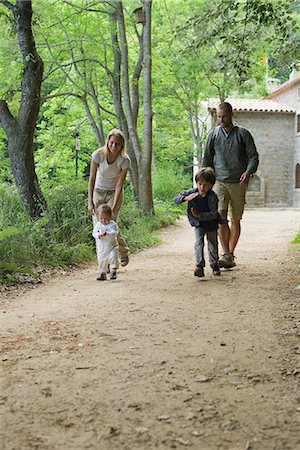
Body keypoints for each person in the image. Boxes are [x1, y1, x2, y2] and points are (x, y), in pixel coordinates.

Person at [202, 102, 259, 269]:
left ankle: (231, 254)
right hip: (219, 181)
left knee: (235, 219)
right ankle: (225, 254)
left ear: (231, 114)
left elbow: (253, 156)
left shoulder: (243, 134)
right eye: (219, 117)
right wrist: (206, 182)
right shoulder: (213, 134)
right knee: (220, 216)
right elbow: (207, 160)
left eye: (224, 116)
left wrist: (248, 172)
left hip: (238, 182)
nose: (221, 120)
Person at [88, 128, 130, 270]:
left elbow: (119, 185)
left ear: (121, 146)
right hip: (98, 192)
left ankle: (121, 253)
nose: (113, 146)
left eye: (117, 144)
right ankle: (104, 265)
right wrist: (90, 201)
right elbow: (92, 178)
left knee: (110, 224)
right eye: (111, 142)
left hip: (114, 193)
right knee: (99, 227)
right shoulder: (98, 155)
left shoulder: (124, 161)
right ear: (107, 142)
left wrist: (113, 207)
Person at [174, 167, 225, 278]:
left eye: (205, 185)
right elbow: (176, 198)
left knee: (213, 245)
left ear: (211, 185)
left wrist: (199, 215)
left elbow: (213, 214)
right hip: (198, 224)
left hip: (211, 223)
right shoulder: (193, 192)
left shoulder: (213, 197)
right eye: (200, 184)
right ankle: (199, 266)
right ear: (197, 183)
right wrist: (185, 198)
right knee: (198, 243)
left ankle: (214, 265)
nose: (202, 187)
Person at [92, 204, 119, 281]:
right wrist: (98, 235)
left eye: (106, 219)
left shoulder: (112, 224)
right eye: (101, 218)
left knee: (113, 257)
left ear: (110, 217)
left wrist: (108, 233)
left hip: (112, 245)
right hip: (102, 247)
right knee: (102, 259)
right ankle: (102, 273)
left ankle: (113, 271)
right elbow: (94, 233)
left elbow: (115, 232)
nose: (103, 221)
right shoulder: (98, 225)